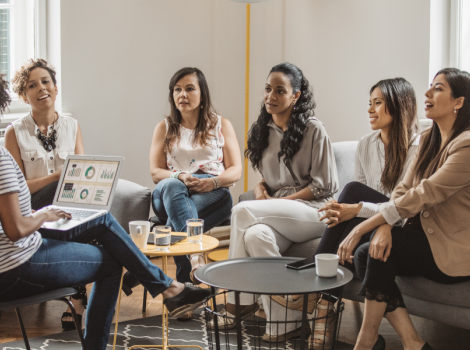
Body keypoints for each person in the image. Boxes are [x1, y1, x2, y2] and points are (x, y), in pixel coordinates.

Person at [0, 59, 212, 350]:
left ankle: (169, 288)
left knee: (100, 222)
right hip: (19, 267)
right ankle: (166, 291)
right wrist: (43, 214)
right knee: (110, 263)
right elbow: (16, 228)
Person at [274, 78, 418, 349]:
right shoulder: (366, 144)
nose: (370, 110)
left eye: (378, 103)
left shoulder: (418, 147)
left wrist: (355, 209)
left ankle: (314, 285)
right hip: (373, 224)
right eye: (369, 103)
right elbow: (364, 199)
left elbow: (405, 208)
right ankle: (326, 307)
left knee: (350, 191)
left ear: (398, 106)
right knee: (349, 203)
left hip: (403, 224)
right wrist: (351, 210)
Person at [340, 68, 470, 350]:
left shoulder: (467, 145)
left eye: (437, 88)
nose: (427, 93)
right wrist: (384, 225)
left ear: (459, 101)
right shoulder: (427, 139)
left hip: (456, 249)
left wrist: (366, 225)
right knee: (368, 253)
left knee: (380, 248)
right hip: (426, 238)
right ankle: (413, 342)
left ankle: (365, 342)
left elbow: (427, 192)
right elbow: (403, 189)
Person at [211, 62, 339, 342]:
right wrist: (260, 187)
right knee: (256, 236)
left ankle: (239, 301)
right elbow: (271, 179)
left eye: (280, 91)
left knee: (242, 210)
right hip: (278, 214)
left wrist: (283, 201)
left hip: (315, 212)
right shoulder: (262, 130)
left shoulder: (314, 129)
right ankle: (287, 323)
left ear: (296, 95)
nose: (270, 96)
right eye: (268, 89)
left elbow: (325, 185)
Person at [149, 67, 242, 288]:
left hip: (212, 192)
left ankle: (184, 288)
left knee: (175, 222)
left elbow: (236, 169)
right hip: (169, 192)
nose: (183, 94)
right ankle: (195, 256)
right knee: (172, 185)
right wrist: (180, 175)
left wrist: (213, 182)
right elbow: (156, 172)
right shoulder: (164, 128)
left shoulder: (221, 125)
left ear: (202, 94)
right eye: (177, 89)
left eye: (190, 89)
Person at [5, 58, 84, 211]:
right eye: (32, 85)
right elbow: (17, 189)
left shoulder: (72, 126)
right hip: (34, 206)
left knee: (100, 215)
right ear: (24, 97)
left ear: (55, 88)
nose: (41, 88)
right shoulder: (14, 132)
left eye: (45, 82)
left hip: (69, 204)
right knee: (57, 187)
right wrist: (55, 178)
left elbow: (81, 176)